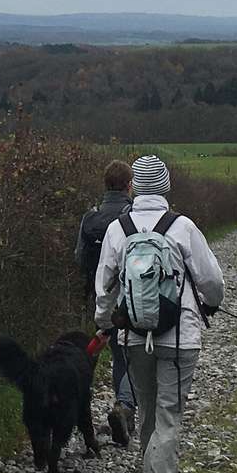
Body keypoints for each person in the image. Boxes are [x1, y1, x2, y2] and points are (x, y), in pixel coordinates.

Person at [92, 154, 226, 473]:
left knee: (148, 411)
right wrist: (210, 304)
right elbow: (212, 282)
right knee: (169, 413)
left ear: (134, 187)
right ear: (165, 187)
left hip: (134, 336)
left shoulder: (119, 229)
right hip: (180, 336)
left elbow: (105, 286)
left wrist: (104, 323)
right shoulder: (182, 227)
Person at [76, 159, 139, 446]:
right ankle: (124, 409)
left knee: (116, 352)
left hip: (99, 296)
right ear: (129, 185)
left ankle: (121, 410)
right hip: (129, 299)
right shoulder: (131, 217)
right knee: (131, 356)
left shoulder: (90, 217)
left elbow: (79, 257)